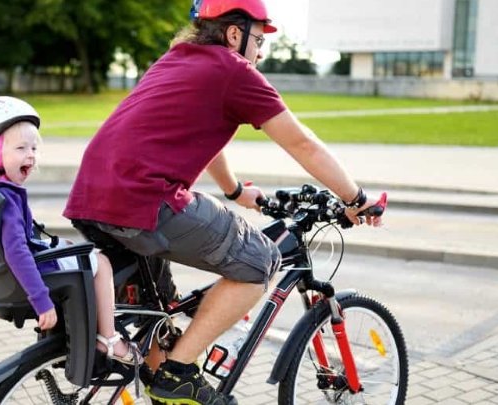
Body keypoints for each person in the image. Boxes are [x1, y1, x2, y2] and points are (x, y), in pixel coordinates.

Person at [63, 0, 384, 403]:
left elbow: (202, 136)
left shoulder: (176, 60)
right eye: (258, 36)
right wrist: (356, 198)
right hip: (144, 200)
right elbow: (302, 144)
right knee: (260, 259)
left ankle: (161, 372)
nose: (261, 49)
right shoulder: (234, 71)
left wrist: (234, 191)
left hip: (91, 200)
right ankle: (177, 374)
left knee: (162, 315)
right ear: (235, 33)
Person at [0, 96, 136, 365]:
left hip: (16, 275)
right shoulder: (7, 202)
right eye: (21, 148)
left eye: (33, 147)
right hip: (35, 275)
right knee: (102, 263)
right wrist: (41, 300)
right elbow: (17, 251)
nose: (30, 154)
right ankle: (110, 338)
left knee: (73, 250)